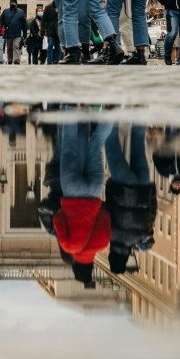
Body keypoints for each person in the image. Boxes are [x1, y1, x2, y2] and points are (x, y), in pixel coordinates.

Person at [53, 117, 112, 287]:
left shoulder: (102, 244)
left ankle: (112, 113)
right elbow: (58, 220)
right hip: (71, 192)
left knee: (96, 144)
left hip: (93, 192)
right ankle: (71, 107)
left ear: (91, 265)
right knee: (69, 146)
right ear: (76, 264)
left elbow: (105, 215)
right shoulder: (68, 247)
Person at [104, 124, 156, 275]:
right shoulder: (111, 234)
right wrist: (111, 184)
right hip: (123, 185)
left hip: (143, 185)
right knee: (111, 145)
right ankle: (111, 109)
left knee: (138, 140)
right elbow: (108, 206)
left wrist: (150, 191)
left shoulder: (141, 236)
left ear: (126, 257)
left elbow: (152, 212)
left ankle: (141, 107)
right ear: (111, 255)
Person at [0, 0, 27, 65]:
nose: (13, 4)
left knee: (16, 46)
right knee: (9, 48)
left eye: (14, 3)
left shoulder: (21, 12)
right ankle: (10, 59)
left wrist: (25, 34)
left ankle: (17, 60)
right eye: (11, 3)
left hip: (17, 33)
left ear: (16, 4)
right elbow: (0, 21)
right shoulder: (5, 12)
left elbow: (24, 24)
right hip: (8, 33)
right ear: (9, 3)